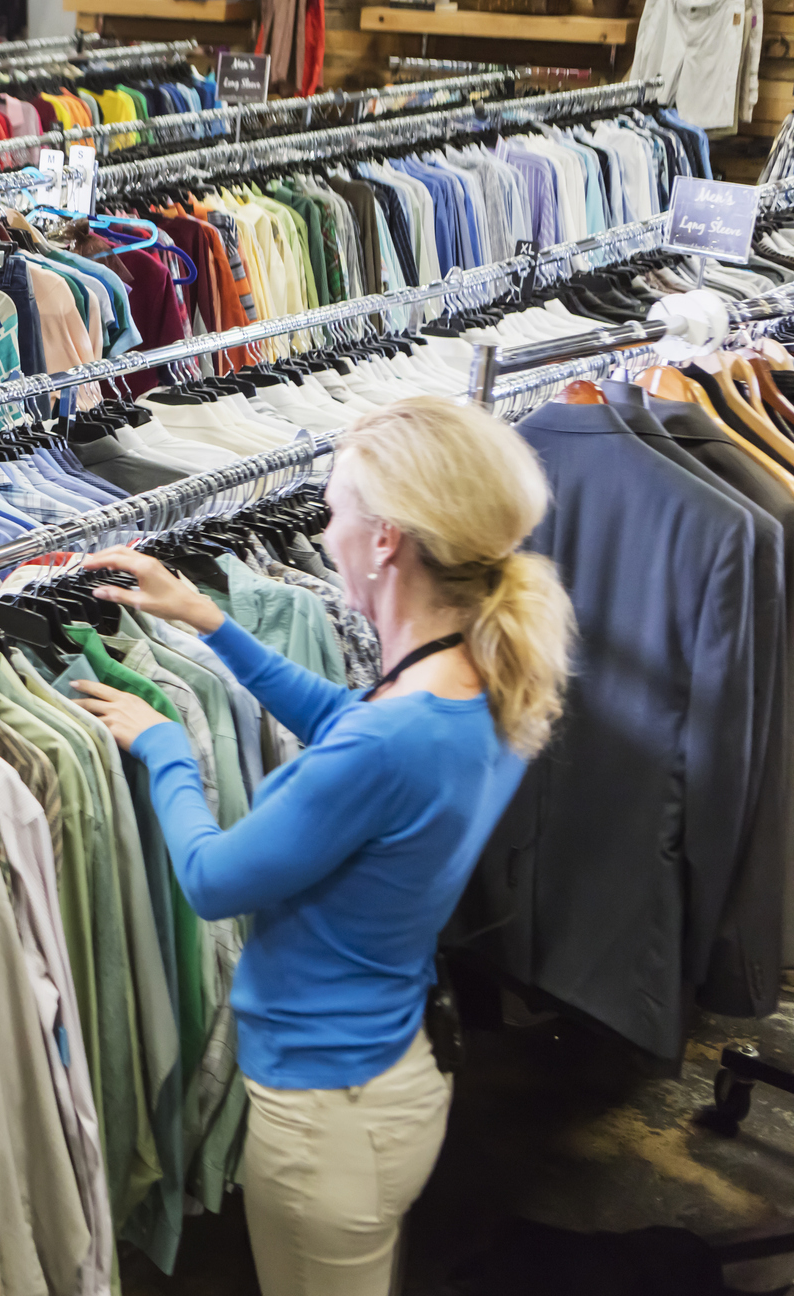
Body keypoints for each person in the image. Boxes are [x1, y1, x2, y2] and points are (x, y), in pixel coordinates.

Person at [68, 397, 575, 1296]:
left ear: (385, 540)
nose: (326, 527)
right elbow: (348, 723)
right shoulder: (472, 676)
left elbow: (215, 879)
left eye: (335, 508)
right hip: (386, 1078)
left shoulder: (395, 737)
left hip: (327, 1119)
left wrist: (165, 749)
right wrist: (211, 625)